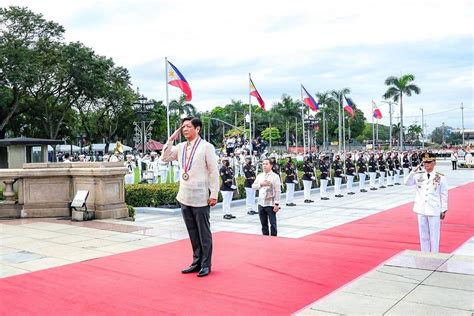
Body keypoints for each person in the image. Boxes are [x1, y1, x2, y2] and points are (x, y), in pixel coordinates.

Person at [161, 117, 219, 277]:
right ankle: (196, 261)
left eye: (188, 126)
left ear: (197, 129)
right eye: (183, 127)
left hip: (201, 196)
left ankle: (206, 264)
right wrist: (171, 140)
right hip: (184, 195)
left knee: (203, 232)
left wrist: (214, 194)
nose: (185, 129)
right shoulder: (180, 147)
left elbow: (214, 171)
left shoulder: (207, 147)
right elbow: (164, 158)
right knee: (192, 231)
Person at [405, 152, 448, 253]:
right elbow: (406, 182)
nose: (426, 164)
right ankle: (425, 254)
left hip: (434, 209)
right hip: (421, 208)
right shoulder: (418, 175)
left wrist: (444, 209)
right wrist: (413, 171)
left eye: (429, 162)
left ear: (434, 163)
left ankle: (434, 254)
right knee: (423, 235)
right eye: (424, 162)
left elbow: (444, 194)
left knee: (434, 235)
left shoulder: (440, 177)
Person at [252, 158, 281, 236]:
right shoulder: (260, 176)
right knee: (263, 225)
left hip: (271, 204)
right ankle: (265, 240)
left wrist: (277, 204)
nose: (264, 166)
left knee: (273, 224)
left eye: (266, 164)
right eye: (263, 164)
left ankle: (274, 241)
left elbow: (277, 191)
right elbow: (253, 186)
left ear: (271, 165)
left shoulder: (275, 176)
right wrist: (261, 184)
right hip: (261, 203)